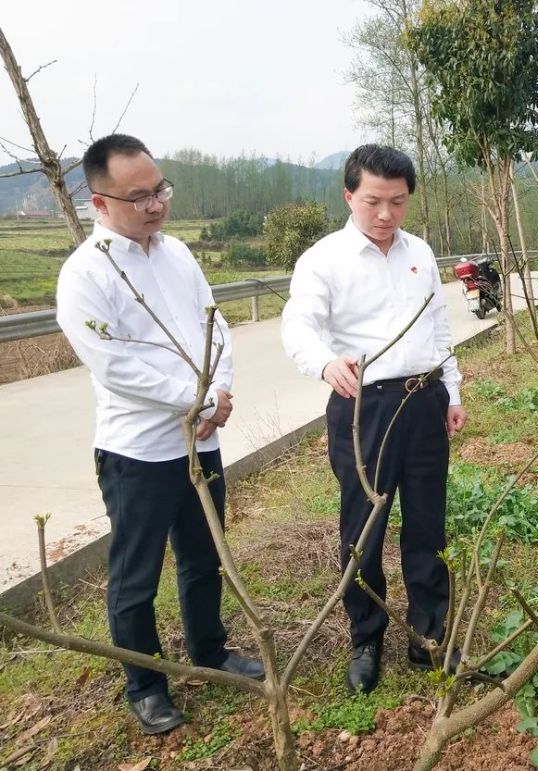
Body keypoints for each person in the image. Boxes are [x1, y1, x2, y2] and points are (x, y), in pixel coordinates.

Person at [56, 134, 263, 736]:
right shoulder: (85, 275)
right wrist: (194, 398)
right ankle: (145, 685)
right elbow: (114, 365)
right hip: (138, 452)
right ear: (100, 202)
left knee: (203, 559)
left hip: (199, 440)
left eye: (160, 190)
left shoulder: (177, 255)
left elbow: (213, 326)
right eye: (139, 196)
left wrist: (219, 391)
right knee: (135, 576)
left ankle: (209, 649)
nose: (154, 205)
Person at [281, 144, 467, 694]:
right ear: (349, 196)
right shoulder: (324, 259)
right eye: (373, 202)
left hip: (424, 399)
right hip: (365, 406)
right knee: (364, 527)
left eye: (398, 202)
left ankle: (427, 634)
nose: (385, 215)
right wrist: (324, 362)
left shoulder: (420, 254)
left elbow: (437, 330)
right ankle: (366, 636)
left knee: (428, 521)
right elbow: (299, 326)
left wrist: (450, 391)